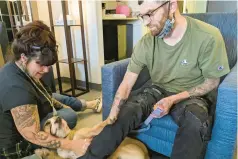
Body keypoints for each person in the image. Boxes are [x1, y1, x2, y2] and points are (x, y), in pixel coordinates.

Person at [79, 0, 230, 159]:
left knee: (196, 122)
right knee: (126, 110)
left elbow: (212, 82)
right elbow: (126, 83)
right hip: (158, 88)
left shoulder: (208, 36)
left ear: (171, 5)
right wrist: (112, 116)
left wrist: (173, 99)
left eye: (150, 14)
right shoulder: (146, 42)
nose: (146, 23)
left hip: (191, 94)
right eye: (142, 16)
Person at [0, 21, 101, 158]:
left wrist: (64, 107)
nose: (46, 70)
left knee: (55, 98)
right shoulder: (17, 89)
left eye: (47, 65)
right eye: (40, 64)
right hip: (17, 143)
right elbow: (33, 135)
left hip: (34, 110)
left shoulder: (18, 66)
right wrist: (72, 145)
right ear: (24, 57)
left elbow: (47, 96)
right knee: (70, 116)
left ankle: (88, 104)